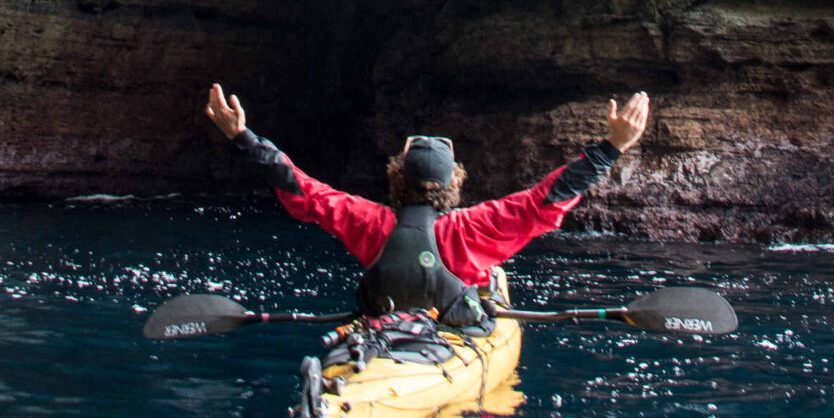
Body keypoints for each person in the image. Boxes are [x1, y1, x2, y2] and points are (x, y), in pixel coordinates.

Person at [204, 82, 650, 329]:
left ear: (396, 179)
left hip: (384, 331)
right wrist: (611, 148)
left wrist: (244, 139)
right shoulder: (475, 229)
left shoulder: (367, 223)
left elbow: (299, 187)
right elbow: (546, 200)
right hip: (457, 333)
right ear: (454, 183)